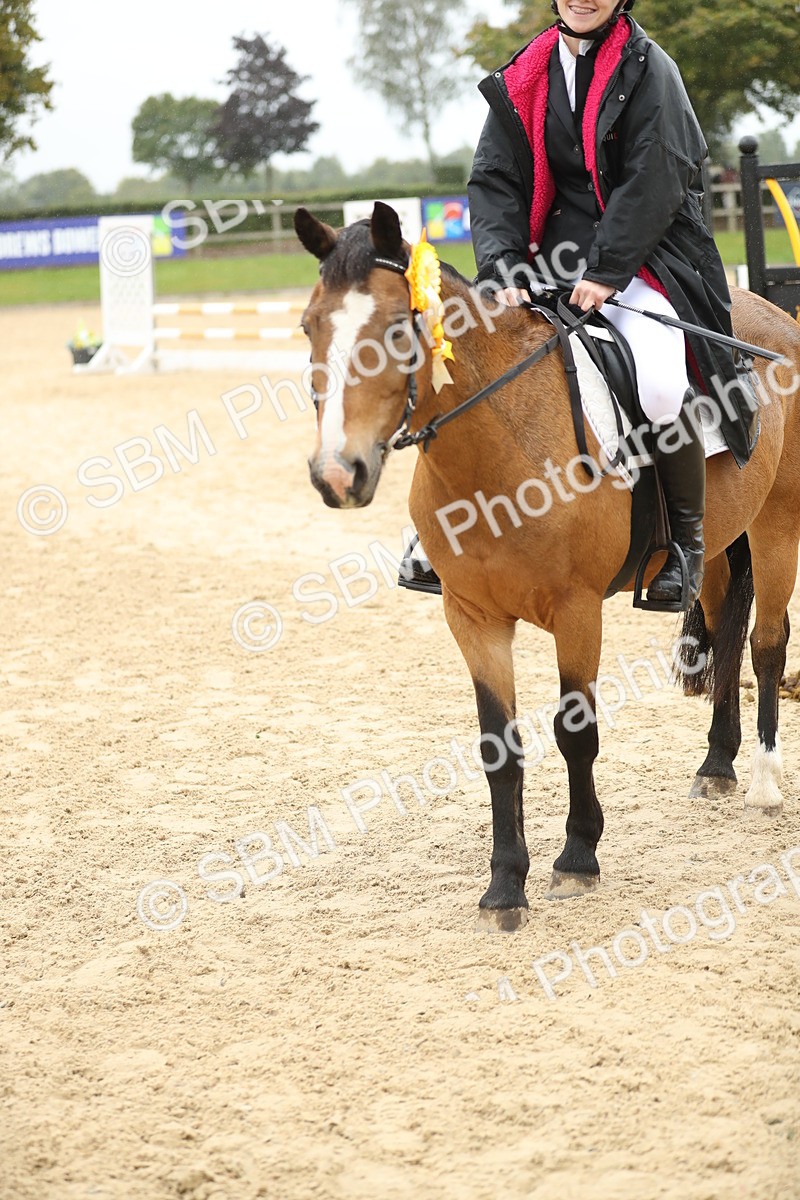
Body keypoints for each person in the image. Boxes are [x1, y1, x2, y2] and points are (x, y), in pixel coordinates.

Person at [467, 0, 754, 606]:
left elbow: (658, 174)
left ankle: (684, 548)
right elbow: (495, 181)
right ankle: (440, 538)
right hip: (545, 266)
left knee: (654, 377)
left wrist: (607, 270)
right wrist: (503, 270)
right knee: (472, 361)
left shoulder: (652, 68)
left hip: (645, 259)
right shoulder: (526, 72)